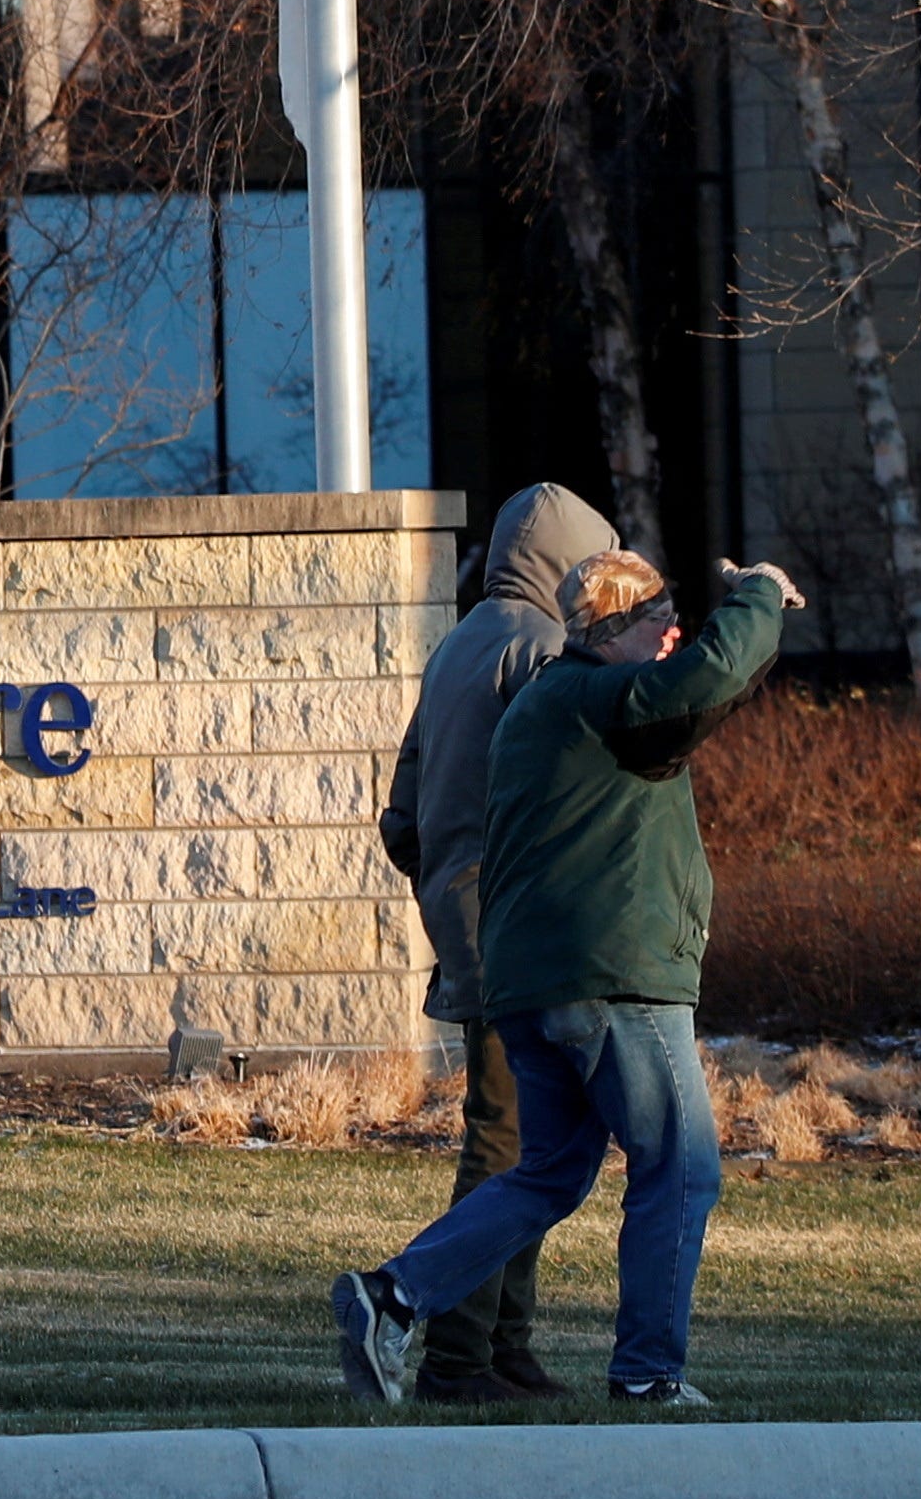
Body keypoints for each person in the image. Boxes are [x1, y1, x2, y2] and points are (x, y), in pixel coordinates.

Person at [331, 542, 802, 1410]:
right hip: (612, 981)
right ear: (612, 628)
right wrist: (759, 597)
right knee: (683, 1170)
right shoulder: (593, 697)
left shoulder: (557, 708)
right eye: (659, 620)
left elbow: (702, 697)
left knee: (548, 1174)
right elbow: (704, 678)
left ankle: (392, 1297)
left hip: (537, 988)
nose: (673, 636)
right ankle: (648, 1374)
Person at [369, 483, 615, 1402]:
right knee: (510, 1143)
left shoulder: (458, 648)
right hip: (523, 931)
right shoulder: (548, 650)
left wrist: (447, 883)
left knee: (526, 1138)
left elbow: (402, 815)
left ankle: (508, 1348)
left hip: (470, 923)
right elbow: (568, 802)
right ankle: (461, 1356)